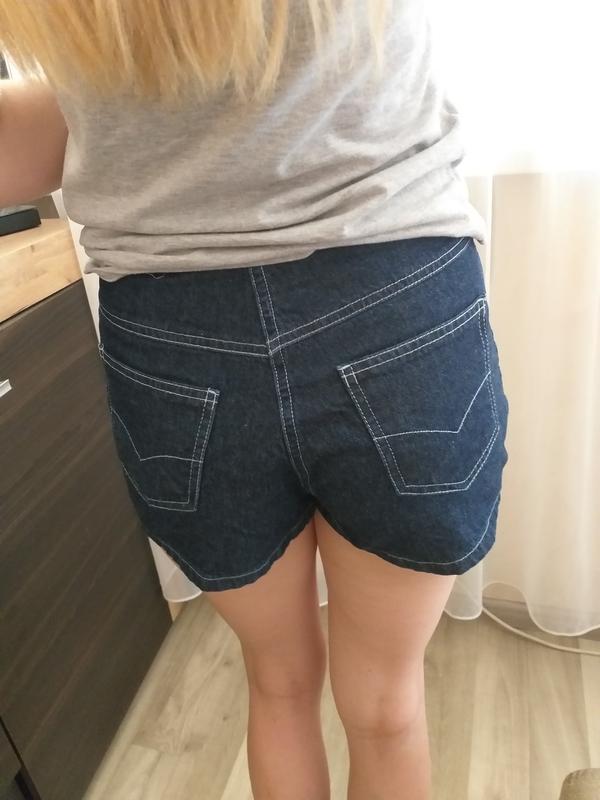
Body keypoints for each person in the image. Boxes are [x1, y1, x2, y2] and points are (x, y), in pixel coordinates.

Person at [0, 2, 509, 797]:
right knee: (385, 704)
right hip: (390, 301)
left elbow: (37, 143)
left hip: (174, 339)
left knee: (277, 683)